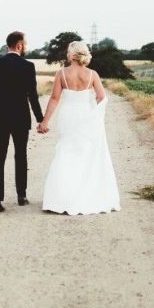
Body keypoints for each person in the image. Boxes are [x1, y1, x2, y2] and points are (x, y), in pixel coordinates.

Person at [39, 40, 120, 215]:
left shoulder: (61, 73)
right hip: (87, 116)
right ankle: (85, 196)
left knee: (65, 153)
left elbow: (54, 99)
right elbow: (101, 98)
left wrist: (45, 122)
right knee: (86, 155)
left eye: (68, 52)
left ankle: (62, 198)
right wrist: (96, 116)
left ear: (72, 55)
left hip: (68, 116)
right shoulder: (92, 74)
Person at [0, 31, 45, 213]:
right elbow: (32, 96)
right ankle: (21, 195)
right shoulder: (28, 66)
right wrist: (40, 119)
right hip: (20, 118)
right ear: (19, 45)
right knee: (21, 155)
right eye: (25, 43)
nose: (26, 46)